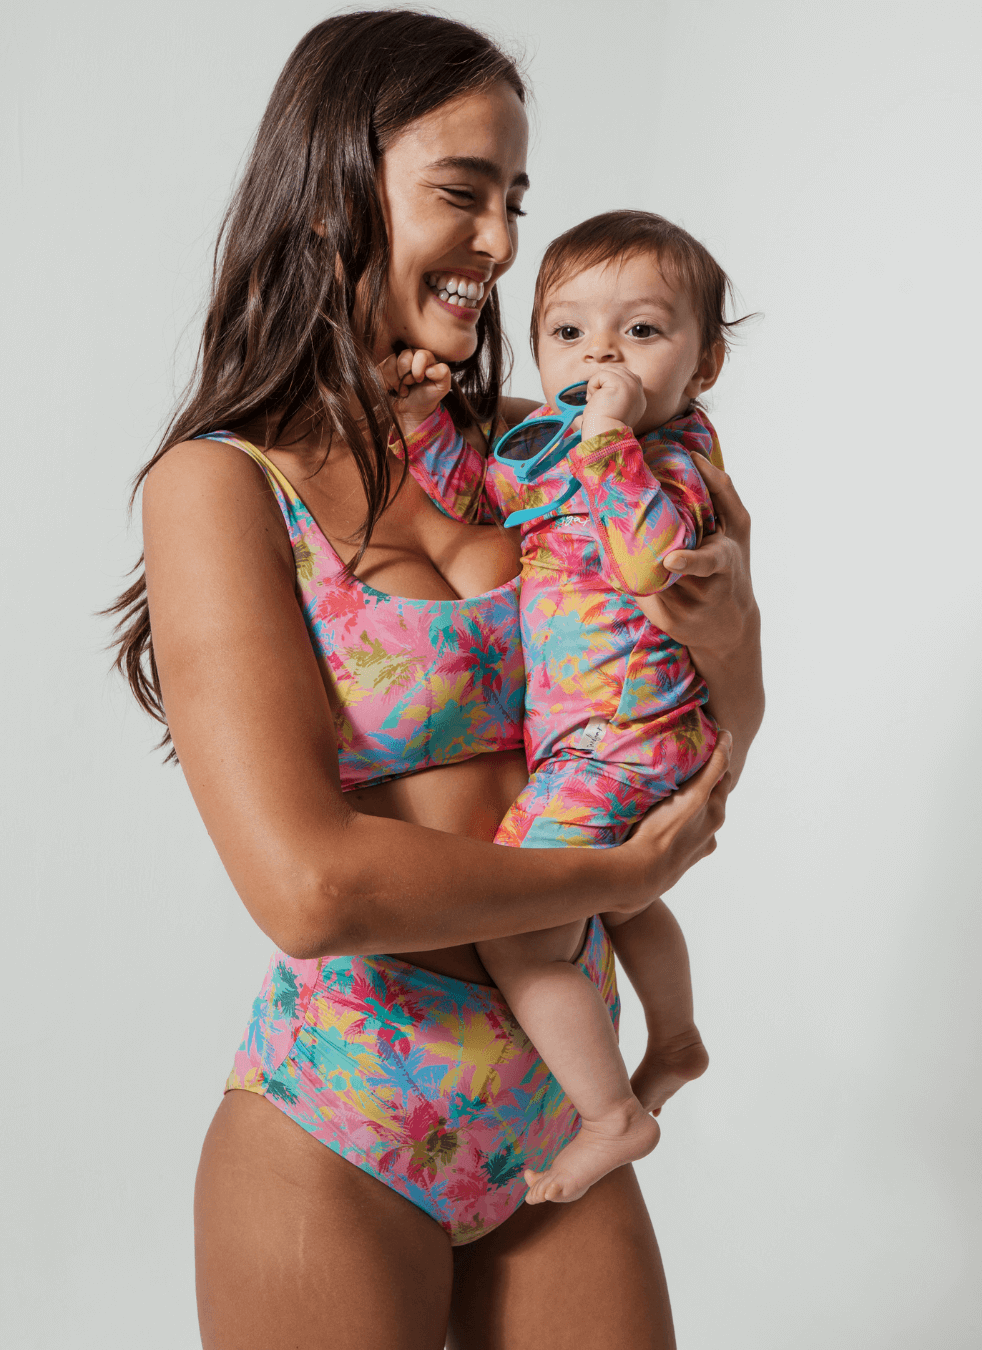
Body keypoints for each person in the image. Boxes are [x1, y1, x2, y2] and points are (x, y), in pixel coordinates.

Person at [109, 12, 763, 1346]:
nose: (504, 243)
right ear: (329, 198)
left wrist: (730, 639)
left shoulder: (543, 452)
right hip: (347, 1118)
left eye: (514, 198)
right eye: (464, 193)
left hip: (557, 1102)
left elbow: (720, 714)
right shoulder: (222, 487)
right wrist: (620, 874)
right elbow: (310, 888)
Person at [383, 210, 742, 1207]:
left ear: (704, 364)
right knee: (622, 896)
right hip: (600, 739)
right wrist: (420, 427)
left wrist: (612, 441)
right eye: (569, 332)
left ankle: (611, 1116)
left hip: (625, 737)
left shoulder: (674, 464)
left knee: (517, 923)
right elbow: (488, 494)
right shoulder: (551, 448)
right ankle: (677, 1040)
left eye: (642, 331)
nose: (601, 356)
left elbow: (649, 564)